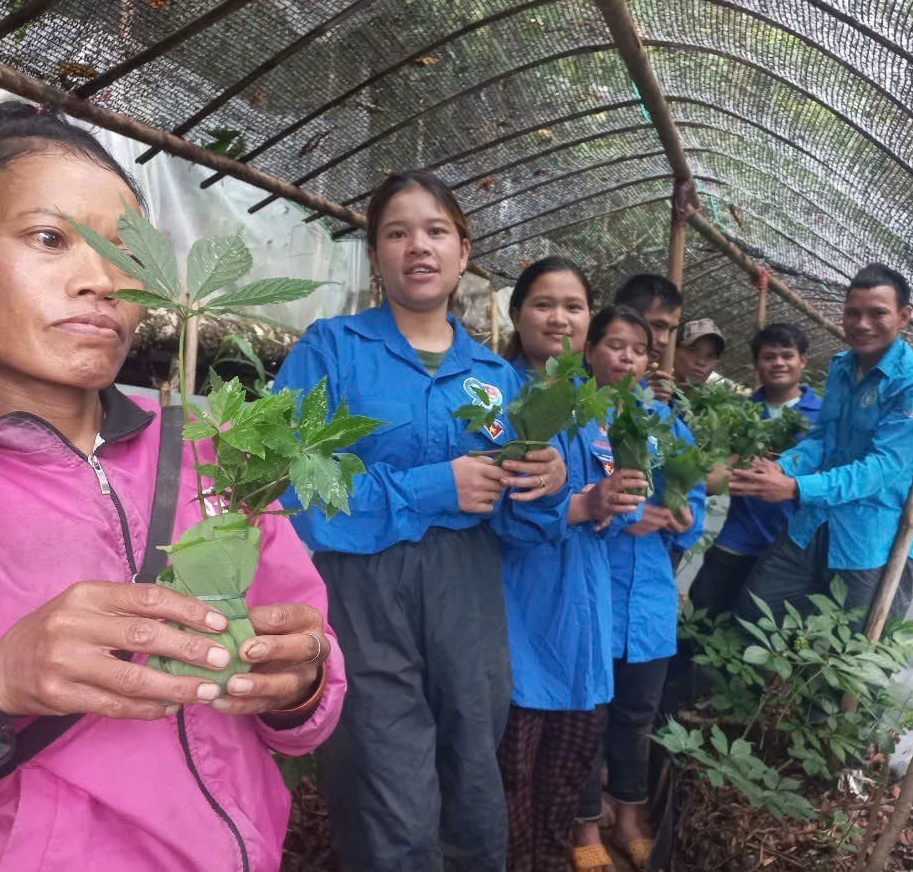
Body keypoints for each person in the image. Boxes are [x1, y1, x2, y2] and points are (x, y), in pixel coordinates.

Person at [0, 103, 343, 872]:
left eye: (128, 256)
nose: (101, 279)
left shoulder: (215, 445)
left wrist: (302, 679)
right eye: (50, 238)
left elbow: (312, 678)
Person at [271, 171, 570, 872]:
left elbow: (526, 529)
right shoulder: (332, 350)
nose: (418, 246)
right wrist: (434, 486)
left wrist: (548, 486)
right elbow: (288, 484)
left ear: (464, 251)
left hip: (468, 600)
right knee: (386, 787)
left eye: (435, 230)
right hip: (362, 594)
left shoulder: (497, 377)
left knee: (472, 778)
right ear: (375, 255)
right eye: (396, 232)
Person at [496, 257, 648, 872]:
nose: (559, 318)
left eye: (574, 307)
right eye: (543, 303)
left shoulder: (595, 408)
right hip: (521, 620)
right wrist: (584, 505)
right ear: (516, 314)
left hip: (583, 622)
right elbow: (499, 511)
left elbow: (602, 500)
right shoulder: (498, 394)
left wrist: (612, 505)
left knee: (564, 785)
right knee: (510, 785)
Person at [730, 264, 913, 626]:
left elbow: (880, 469)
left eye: (878, 313)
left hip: (869, 541)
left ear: (904, 317)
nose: (862, 324)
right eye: (852, 313)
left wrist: (796, 487)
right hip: (813, 523)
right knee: (753, 614)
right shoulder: (842, 366)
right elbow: (823, 438)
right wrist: (783, 467)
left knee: (845, 654)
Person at [573, 306, 706, 872]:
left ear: (651, 361)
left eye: (638, 349)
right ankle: (583, 827)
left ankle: (628, 818)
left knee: (637, 716)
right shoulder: (575, 420)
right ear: (590, 353)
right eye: (614, 345)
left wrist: (678, 516)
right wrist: (613, 509)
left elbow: (693, 503)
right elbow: (565, 501)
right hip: (591, 595)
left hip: (648, 601)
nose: (627, 357)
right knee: (589, 715)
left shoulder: (668, 425)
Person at [688, 323, 822, 616]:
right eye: (768, 356)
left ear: (803, 360)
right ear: (757, 364)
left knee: (757, 634)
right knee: (699, 623)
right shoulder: (740, 413)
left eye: (786, 355)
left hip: (788, 549)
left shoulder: (822, 417)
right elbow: (711, 474)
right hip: (736, 539)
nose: (778, 363)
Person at [611, 274, 684, 403]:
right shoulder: (573, 379)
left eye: (671, 330)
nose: (664, 340)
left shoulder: (651, 392)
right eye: (657, 326)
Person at [673, 318, 726, 395]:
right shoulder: (650, 389)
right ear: (674, 350)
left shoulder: (710, 405)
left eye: (710, 356)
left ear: (716, 364)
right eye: (692, 350)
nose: (701, 362)